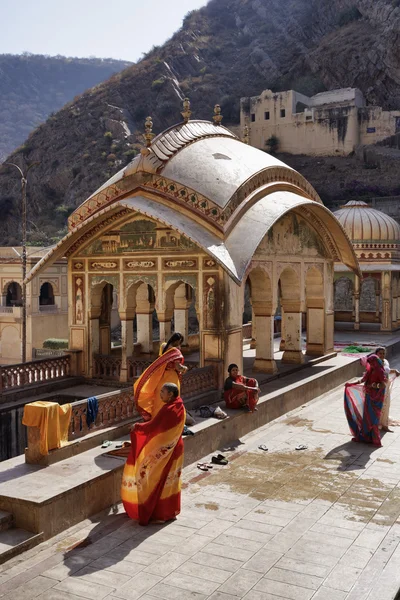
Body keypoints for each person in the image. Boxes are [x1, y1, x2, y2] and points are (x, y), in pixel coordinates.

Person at [121, 383, 185, 525]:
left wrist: (136, 427)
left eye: (162, 391)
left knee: (156, 480)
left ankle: (160, 514)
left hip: (166, 451)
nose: (160, 394)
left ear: (170, 395)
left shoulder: (168, 409)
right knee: (171, 481)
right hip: (176, 448)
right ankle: (170, 512)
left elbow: (152, 426)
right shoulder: (179, 404)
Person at [134, 332, 188, 421]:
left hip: (161, 377)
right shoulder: (175, 351)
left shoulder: (163, 346)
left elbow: (160, 361)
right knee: (171, 399)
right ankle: (168, 421)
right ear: (178, 341)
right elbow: (178, 367)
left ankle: (155, 420)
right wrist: (184, 369)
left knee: (159, 399)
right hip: (171, 378)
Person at [344, 354, 386, 447]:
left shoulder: (379, 370)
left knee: (373, 418)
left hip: (376, 398)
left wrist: (373, 386)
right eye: (369, 363)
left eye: (371, 363)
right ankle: (367, 437)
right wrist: (351, 383)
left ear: (375, 362)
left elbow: (383, 385)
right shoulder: (370, 370)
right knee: (367, 417)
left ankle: (375, 440)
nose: (370, 364)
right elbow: (363, 380)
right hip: (368, 396)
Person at [376, 347, 400, 432]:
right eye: (380, 353)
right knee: (379, 405)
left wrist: (395, 371)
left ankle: (384, 424)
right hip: (378, 388)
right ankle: (376, 424)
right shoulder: (374, 363)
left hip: (386, 386)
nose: (382, 355)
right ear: (376, 354)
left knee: (386, 405)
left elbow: (387, 370)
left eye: (383, 353)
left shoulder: (385, 361)